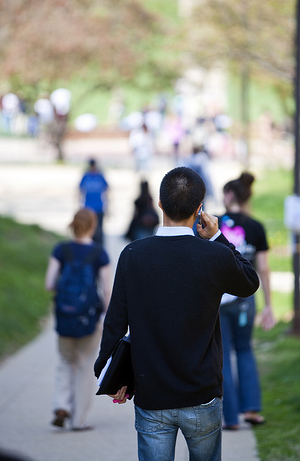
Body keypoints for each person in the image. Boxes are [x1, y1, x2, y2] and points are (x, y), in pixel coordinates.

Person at [94, 167, 260, 461]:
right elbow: (249, 282)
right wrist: (218, 237)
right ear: (200, 209)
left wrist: (107, 370)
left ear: (160, 204)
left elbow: (116, 319)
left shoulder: (133, 254)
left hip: (151, 390)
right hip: (202, 392)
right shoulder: (214, 255)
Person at [218, 172, 276, 430]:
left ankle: (230, 418)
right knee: (244, 350)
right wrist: (269, 306)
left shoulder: (213, 224)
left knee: (223, 357)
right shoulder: (256, 226)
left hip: (218, 302)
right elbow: (263, 268)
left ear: (229, 195)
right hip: (247, 299)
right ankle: (252, 409)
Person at [45, 208, 111, 430]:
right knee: (83, 365)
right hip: (88, 320)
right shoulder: (99, 254)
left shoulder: (61, 250)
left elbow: (49, 284)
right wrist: (105, 316)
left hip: (64, 317)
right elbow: (107, 291)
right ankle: (79, 420)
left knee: (65, 362)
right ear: (93, 225)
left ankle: (61, 404)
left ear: (72, 225)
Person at [79, 158, 109, 245]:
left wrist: (108, 206)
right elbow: (80, 190)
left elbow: (106, 191)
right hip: (88, 207)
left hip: (99, 207)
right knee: (88, 230)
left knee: (99, 231)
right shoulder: (86, 176)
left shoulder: (100, 176)